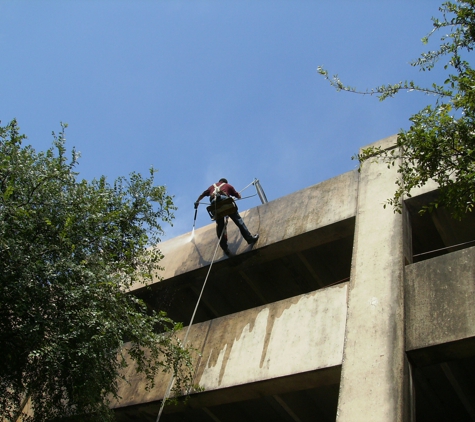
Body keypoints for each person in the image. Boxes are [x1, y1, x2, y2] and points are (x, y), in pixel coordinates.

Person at [195, 178, 259, 256]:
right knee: (238, 221)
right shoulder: (228, 186)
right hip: (225, 202)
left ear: (219, 182)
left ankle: (225, 248)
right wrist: (238, 195)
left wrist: (197, 201)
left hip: (215, 205)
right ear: (225, 182)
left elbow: (203, 194)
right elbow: (238, 196)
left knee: (220, 227)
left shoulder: (211, 187)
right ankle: (249, 238)